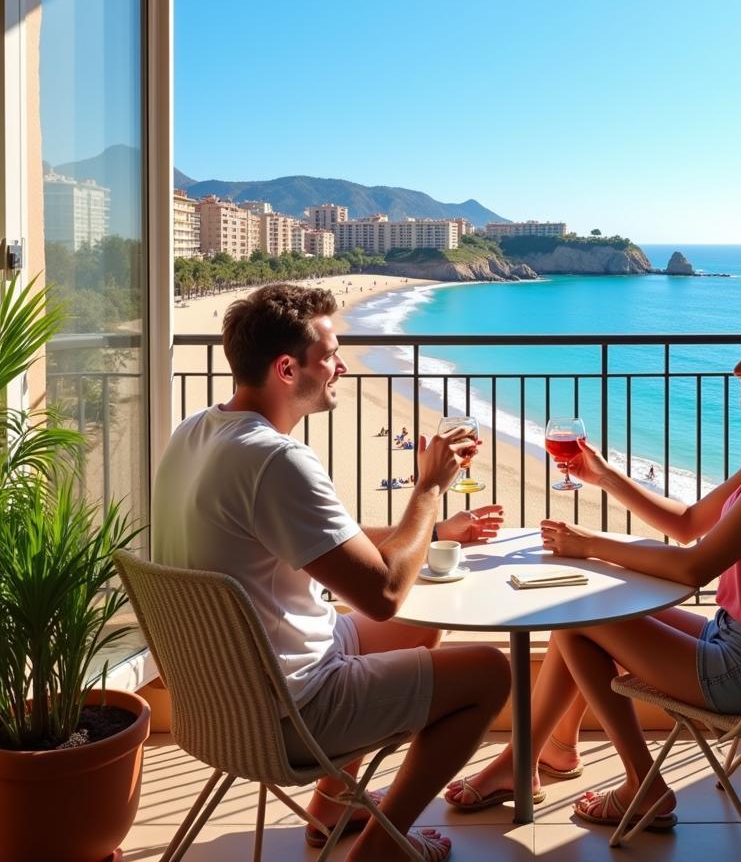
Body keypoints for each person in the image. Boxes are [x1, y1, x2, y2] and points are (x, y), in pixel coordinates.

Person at [445, 303, 741, 830]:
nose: (738, 370)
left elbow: (694, 566)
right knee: (580, 620)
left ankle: (633, 783)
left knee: (581, 616)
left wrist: (591, 545)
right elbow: (691, 522)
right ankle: (549, 751)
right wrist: (605, 477)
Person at [152, 283, 510, 862]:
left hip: (218, 695)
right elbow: (385, 593)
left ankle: (331, 809)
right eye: (331, 355)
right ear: (288, 367)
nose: (342, 367)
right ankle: (380, 850)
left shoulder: (196, 432)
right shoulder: (276, 459)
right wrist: (428, 490)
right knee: (488, 673)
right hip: (288, 709)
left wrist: (435, 534)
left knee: (420, 632)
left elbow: (325, 540)